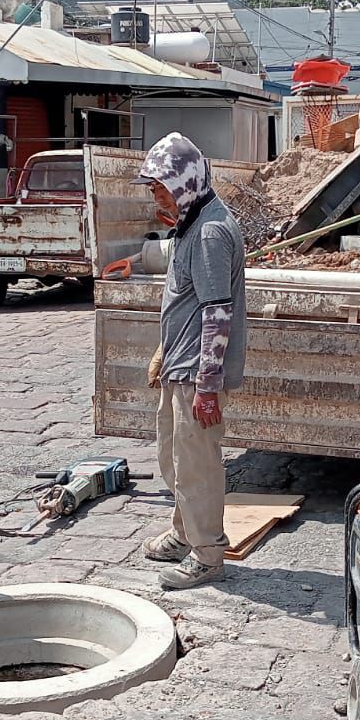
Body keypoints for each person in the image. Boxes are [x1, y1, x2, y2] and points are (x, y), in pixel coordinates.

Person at [136, 134, 246, 590]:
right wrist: (163, 352)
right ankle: (185, 535)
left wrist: (206, 385)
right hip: (178, 365)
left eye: (160, 185)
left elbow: (217, 312)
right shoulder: (192, 223)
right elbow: (185, 301)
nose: (155, 195)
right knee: (175, 460)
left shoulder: (210, 233)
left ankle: (207, 555)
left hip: (195, 373)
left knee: (197, 466)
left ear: (185, 182)